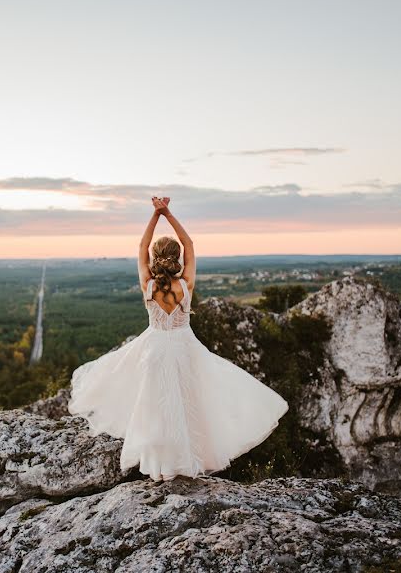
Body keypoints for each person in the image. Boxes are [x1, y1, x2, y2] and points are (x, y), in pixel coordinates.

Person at [67, 196, 289, 481]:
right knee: (189, 405)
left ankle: (160, 467)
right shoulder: (186, 284)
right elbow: (190, 244)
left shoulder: (148, 284)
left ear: (155, 259)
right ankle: (187, 462)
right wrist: (168, 213)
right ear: (176, 258)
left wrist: (155, 214)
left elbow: (141, 247)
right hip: (184, 347)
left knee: (155, 406)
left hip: (155, 349)